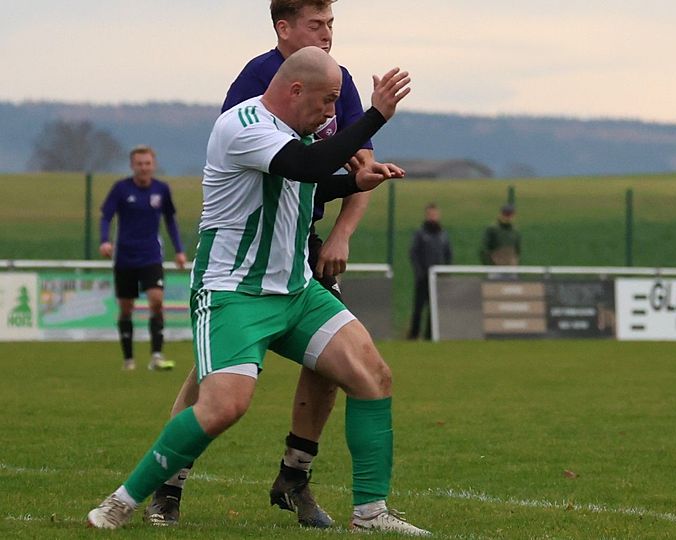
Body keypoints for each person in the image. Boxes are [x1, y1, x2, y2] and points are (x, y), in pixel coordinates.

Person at [87, 47, 429, 536]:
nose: (332, 112)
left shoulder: (295, 133)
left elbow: (305, 184)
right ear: (296, 90)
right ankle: (123, 501)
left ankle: (370, 515)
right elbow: (305, 166)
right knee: (224, 406)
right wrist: (374, 116)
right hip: (234, 293)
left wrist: (354, 181)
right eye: (327, 100)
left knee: (373, 376)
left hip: (296, 290)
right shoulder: (243, 125)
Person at [144, 0, 381, 528]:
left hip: (304, 243)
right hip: (249, 248)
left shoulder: (339, 81)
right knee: (213, 373)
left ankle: (295, 477)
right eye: (316, 24)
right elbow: (260, 157)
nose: (327, 33)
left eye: (331, 23)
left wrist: (340, 234)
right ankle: (168, 485)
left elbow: (361, 166)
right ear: (284, 27)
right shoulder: (257, 80)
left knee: (335, 360)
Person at [99, 146, 187, 371]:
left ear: (153, 165)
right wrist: (104, 240)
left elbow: (170, 221)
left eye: (147, 163)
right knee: (126, 308)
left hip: (151, 256)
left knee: (156, 301)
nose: (143, 167)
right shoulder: (121, 188)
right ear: (132, 165)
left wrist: (179, 250)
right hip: (125, 257)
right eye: (139, 163)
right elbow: (106, 216)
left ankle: (156, 355)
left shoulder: (161, 189)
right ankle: (128, 359)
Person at [407, 203, 452, 340]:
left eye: (435, 214)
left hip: (437, 278)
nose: (433, 217)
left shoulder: (443, 234)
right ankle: (414, 335)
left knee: (434, 308)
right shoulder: (420, 233)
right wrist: (419, 271)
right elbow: (413, 253)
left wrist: (446, 271)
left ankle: (430, 335)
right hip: (423, 277)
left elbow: (448, 254)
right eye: (430, 214)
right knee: (419, 307)